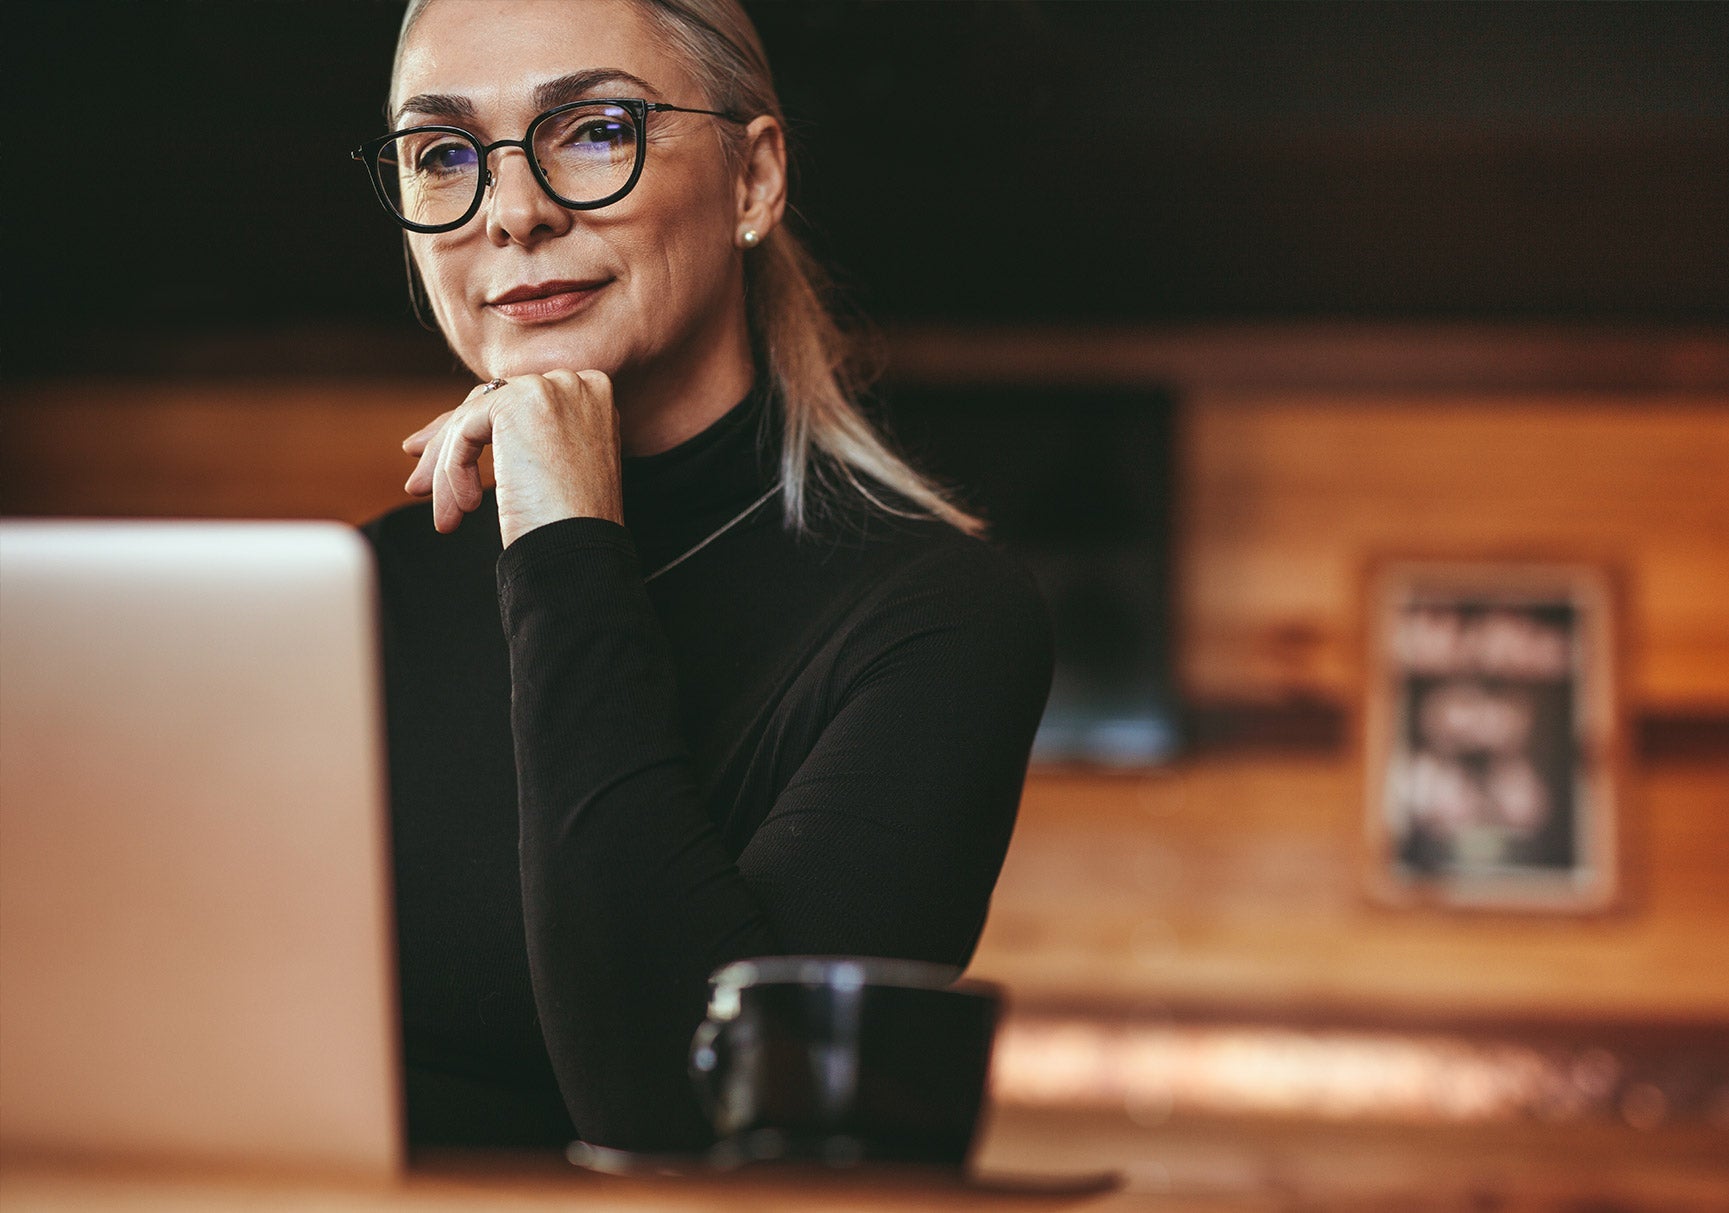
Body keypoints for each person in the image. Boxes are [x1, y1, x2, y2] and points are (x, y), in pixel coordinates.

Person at [357, 0, 1052, 1153]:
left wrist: (567, 540)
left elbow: (689, 1125)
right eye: (444, 154)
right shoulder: (356, 595)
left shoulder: (938, 622)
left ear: (753, 179)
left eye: (592, 130)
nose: (513, 212)